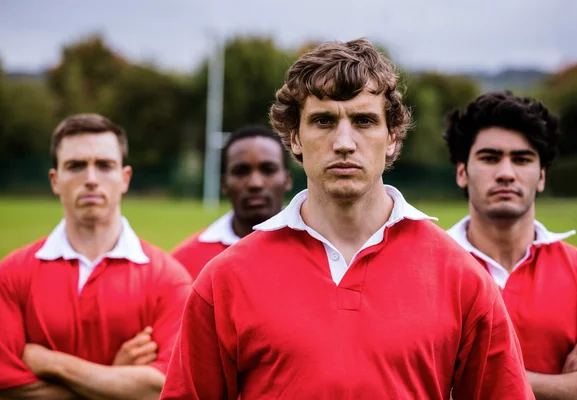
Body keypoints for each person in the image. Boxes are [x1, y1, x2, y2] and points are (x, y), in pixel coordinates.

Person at [160, 39, 534, 399]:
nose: (343, 142)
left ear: (392, 137)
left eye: (363, 121)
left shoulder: (461, 277)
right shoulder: (225, 278)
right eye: (323, 121)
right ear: (294, 138)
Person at [0, 114, 192, 399]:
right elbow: (7, 385)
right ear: (55, 180)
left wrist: (52, 363)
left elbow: (164, 386)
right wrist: (115, 382)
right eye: (76, 166)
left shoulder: (170, 278)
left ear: (125, 178)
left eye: (104, 165)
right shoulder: (12, 273)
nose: (91, 179)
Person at [444, 91, 577, 399]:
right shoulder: (428, 267)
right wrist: (562, 387)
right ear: (462, 172)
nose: (506, 173)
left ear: (541, 176)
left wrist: (470, 380)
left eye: (522, 159)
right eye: (490, 158)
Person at [172, 124, 292, 279]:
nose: (255, 183)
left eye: (268, 170)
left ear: (287, 180)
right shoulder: (185, 262)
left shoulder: (319, 249)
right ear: (224, 184)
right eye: (241, 172)